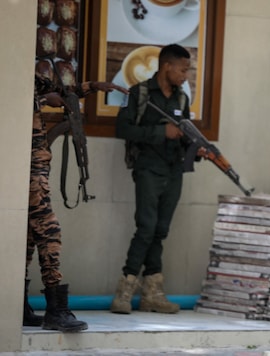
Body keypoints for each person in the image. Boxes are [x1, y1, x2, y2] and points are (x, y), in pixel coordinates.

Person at [26, 73, 127, 331]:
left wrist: (93, 86)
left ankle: (20, 305)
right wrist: (38, 99)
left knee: (28, 238)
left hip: (36, 170)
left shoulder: (30, 74)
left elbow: (62, 90)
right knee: (49, 233)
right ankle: (56, 310)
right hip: (26, 172)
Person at [111, 44, 205, 314]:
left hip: (174, 170)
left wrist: (196, 149)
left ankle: (152, 293)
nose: (186, 75)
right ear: (167, 66)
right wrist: (160, 132)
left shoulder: (182, 99)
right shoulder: (137, 93)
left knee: (159, 231)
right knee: (146, 227)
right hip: (148, 169)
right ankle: (125, 290)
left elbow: (185, 132)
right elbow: (123, 128)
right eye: (183, 69)